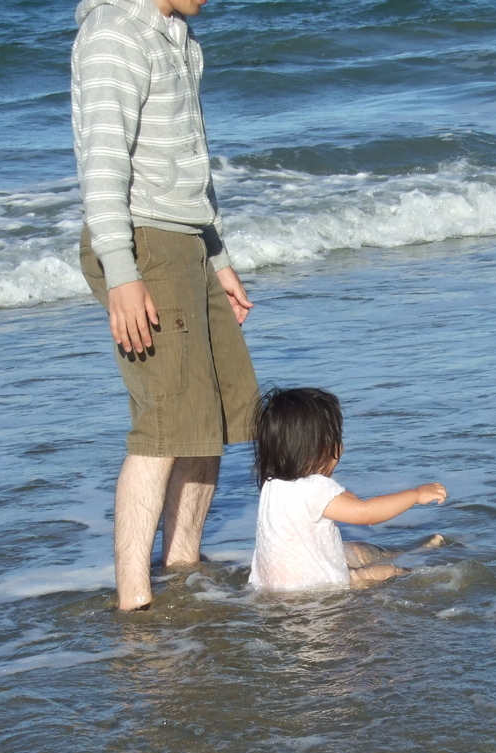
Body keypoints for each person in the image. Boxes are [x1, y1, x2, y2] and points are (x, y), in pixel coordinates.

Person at [71, 0, 259, 610]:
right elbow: (101, 168)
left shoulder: (177, 33)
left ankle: (182, 569)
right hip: (140, 243)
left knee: (213, 416)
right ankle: (134, 601)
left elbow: (189, 161)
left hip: (187, 243)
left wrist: (218, 254)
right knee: (164, 422)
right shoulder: (112, 35)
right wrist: (122, 274)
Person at [249, 388, 448, 592]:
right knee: (388, 571)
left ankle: (408, 551)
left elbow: (341, 501)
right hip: (315, 587)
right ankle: (423, 568)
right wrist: (415, 495)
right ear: (321, 448)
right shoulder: (315, 488)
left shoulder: (272, 484)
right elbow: (367, 513)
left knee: (354, 549)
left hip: (271, 586)